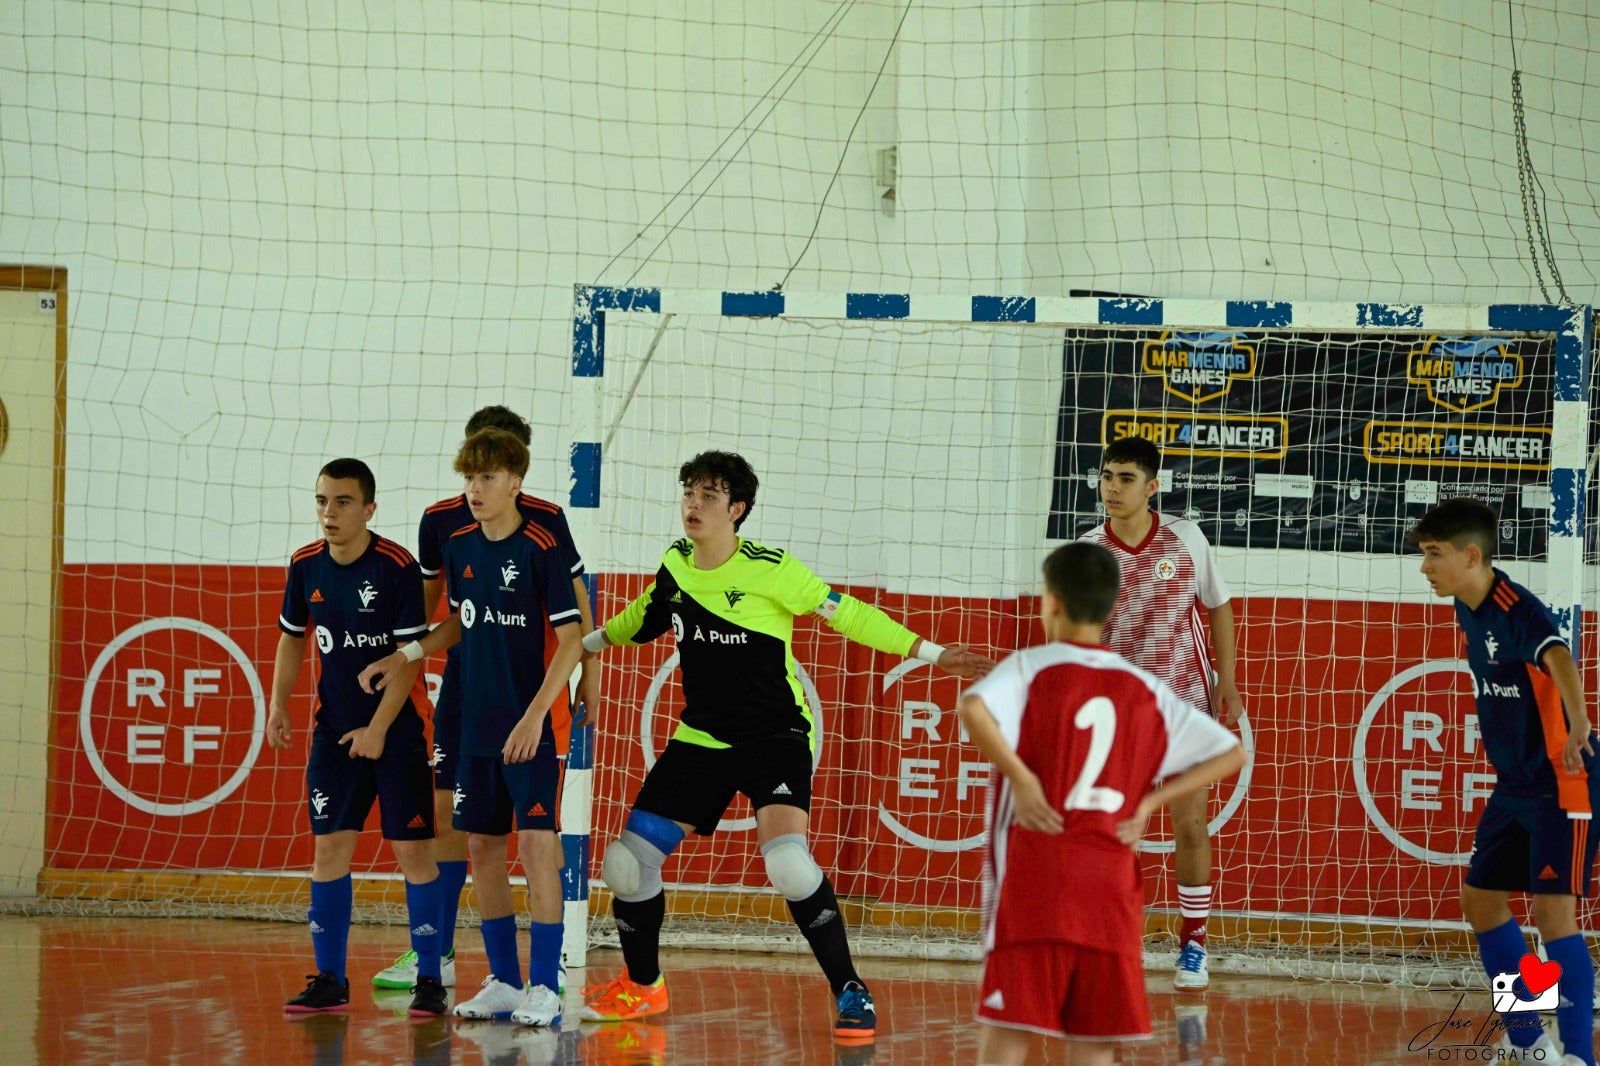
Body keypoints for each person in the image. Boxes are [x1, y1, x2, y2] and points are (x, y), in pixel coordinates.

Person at [576, 450, 992, 1039]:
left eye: (709, 496)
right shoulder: (675, 564)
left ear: (736, 510)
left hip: (776, 735)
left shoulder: (773, 570)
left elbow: (848, 615)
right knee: (625, 864)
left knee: (788, 864)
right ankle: (644, 989)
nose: (694, 505)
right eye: (689, 492)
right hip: (703, 737)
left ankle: (851, 989)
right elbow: (643, 616)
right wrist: (586, 642)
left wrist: (933, 653)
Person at [957, 541, 1245, 1066]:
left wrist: (1021, 778)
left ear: (1051, 602)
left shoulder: (1031, 666)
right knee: (1093, 1045)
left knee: (1008, 1035)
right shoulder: (1142, 686)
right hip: (1110, 884)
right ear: (1112, 607)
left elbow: (973, 707)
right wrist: (1150, 803)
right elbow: (1232, 751)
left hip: (1036, 878)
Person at [361, 428, 584, 1027]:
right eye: (468, 478)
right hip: (476, 729)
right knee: (483, 847)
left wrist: (537, 715)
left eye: (486, 478)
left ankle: (545, 984)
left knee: (538, 846)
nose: (474, 489)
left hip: (532, 728)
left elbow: (570, 640)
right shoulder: (458, 544)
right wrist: (405, 656)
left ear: (516, 482)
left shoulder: (541, 546)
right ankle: (505, 982)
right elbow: (459, 624)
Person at [1413, 498, 1596, 1066]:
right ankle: (1529, 1044)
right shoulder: (1467, 607)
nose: (1425, 568)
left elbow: (1558, 654)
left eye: (1434, 555)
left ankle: (1580, 1058)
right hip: (1514, 784)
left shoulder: (1517, 608)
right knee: (1482, 901)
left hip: (1562, 779)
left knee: (1552, 916)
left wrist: (1579, 718)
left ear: (1472, 556)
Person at [267, 458, 446, 1016]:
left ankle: (430, 979)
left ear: (369, 508)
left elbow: (408, 662)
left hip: (397, 735)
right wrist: (278, 704)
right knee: (328, 851)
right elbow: (292, 638)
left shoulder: (396, 567)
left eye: (342, 502)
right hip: (334, 734)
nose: (329, 513)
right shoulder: (304, 565)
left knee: (414, 855)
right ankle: (329, 979)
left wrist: (377, 728)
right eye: (322, 500)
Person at [1077, 435, 1242, 989]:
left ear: (1152, 487)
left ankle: (1193, 943)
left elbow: (1218, 608)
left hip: (1185, 704)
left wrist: (1228, 683)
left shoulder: (1186, 538)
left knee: (1190, 825)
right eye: (1106, 476)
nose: (1113, 487)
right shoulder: (1088, 549)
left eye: (1125, 478)